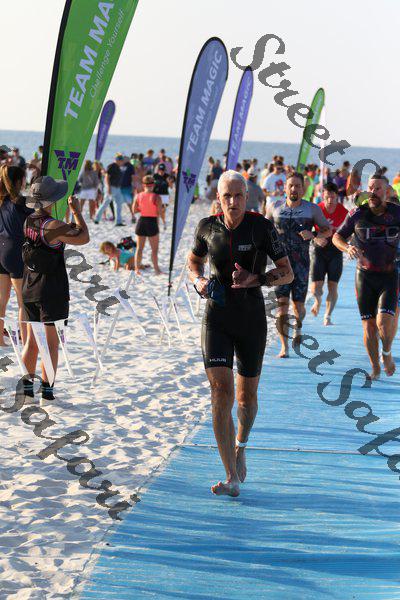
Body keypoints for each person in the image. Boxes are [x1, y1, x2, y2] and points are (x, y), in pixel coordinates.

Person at [187, 170, 293, 497]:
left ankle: (241, 445)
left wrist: (255, 279)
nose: (232, 202)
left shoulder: (262, 227)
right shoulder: (206, 227)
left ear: (247, 197)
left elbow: (287, 273)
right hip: (216, 317)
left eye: (238, 195)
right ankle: (230, 474)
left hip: (251, 319)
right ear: (218, 198)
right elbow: (193, 262)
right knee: (221, 392)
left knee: (246, 401)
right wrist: (198, 281)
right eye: (226, 196)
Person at [21, 176, 89, 402]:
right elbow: (84, 237)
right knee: (51, 344)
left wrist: (67, 225)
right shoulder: (53, 225)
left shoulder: (28, 220)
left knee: (31, 342)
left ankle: (27, 389)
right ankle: (47, 392)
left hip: (29, 286)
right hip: (51, 289)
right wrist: (77, 212)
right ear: (52, 200)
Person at [333, 174, 400, 380]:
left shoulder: (396, 212)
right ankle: (375, 367)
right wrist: (347, 247)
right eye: (370, 188)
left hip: (389, 276)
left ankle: (386, 353)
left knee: (383, 322)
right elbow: (337, 236)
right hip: (364, 277)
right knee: (369, 327)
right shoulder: (357, 214)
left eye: (377, 188)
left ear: (386, 192)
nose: (373, 192)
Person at [266, 173, 331, 358]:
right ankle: (284, 347)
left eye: (297, 186)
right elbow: (263, 229)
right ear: (285, 188)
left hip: (301, 265)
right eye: (291, 185)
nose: (294, 189)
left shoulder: (312, 209)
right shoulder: (274, 207)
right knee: (281, 306)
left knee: (298, 307)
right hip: (280, 265)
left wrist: (314, 235)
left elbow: (327, 230)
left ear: (303, 189)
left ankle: (298, 329)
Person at [0, 165, 33, 346]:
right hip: (15, 252)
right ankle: (26, 341)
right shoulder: (23, 203)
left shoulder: (1, 200)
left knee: (2, 299)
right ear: (20, 181)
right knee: (23, 302)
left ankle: (0, 339)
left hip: (1, 250)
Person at [310, 183, 348, 325]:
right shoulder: (317, 209)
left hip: (335, 251)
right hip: (319, 250)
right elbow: (306, 229)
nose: (330, 200)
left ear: (337, 197)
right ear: (323, 196)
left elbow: (350, 232)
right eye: (327, 197)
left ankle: (327, 316)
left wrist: (347, 244)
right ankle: (317, 301)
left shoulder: (343, 212)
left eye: (332, 197)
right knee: (316, 289)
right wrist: (316, 238)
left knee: (332, 286)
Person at [132, 175, 163, 275]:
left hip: (141, 221)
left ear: (143, 185)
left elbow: (134, 210)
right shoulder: (157, 197)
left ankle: (137, 269)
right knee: (154, 249)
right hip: (152, 222)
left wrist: (142, 208)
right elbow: (159, 212)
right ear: (153, 185)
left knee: (139, 248)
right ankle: (156, 269)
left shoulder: (138, 195)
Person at [94, 154, 125, 226]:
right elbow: (107, 177)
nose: (122, 162)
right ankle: (97, 218)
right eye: (121, 160)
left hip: (117, 188)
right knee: (105, 203)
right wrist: (108, 188)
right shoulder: (112, 166)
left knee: (118, 204)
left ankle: (118, 221)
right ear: (117, 160)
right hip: (111, 187)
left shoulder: (118, 167)